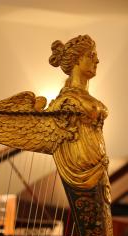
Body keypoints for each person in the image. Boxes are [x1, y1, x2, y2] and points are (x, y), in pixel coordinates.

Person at [48, 35, 110, 195]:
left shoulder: (82, 99)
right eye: (91, 55)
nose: (97, 61)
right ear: (76, 59)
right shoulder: (65, 103)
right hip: (83, 172)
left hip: (100, 168)